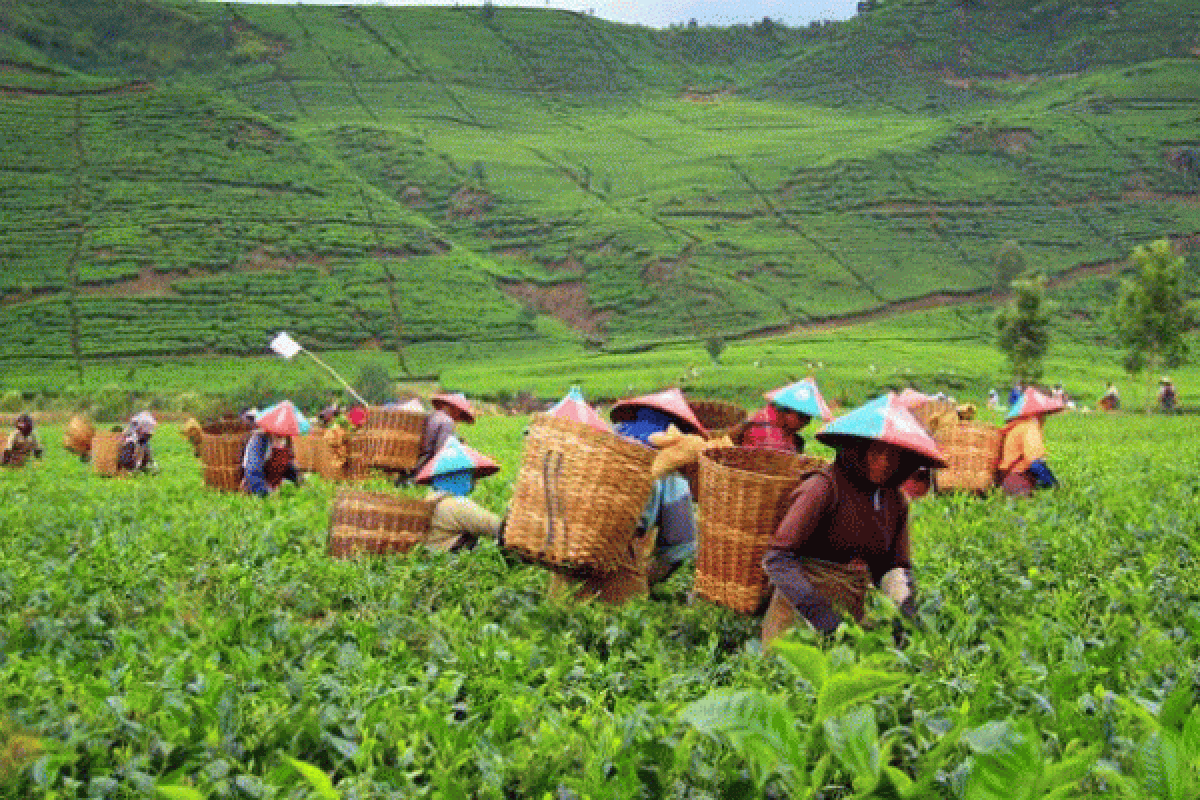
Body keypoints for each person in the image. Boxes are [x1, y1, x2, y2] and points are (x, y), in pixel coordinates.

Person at [760, 394, 947, 643]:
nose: (884, 463)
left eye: (894, 456)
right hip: (797, 614)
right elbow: (778, 559)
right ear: (856, 448)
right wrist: (821, 616)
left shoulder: (895, 502)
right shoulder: (823, 488)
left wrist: (906, 613)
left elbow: (892, 567)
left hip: (849, 616)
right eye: (876, 452)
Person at [413, 436, 503, 551]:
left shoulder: (429, 499)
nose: (475, 482)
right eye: (471, 477)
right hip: (449, 560)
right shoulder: (457, 505)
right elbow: (497, 527)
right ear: (461, 478)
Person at [995, 387, 1064, 497]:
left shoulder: (1018, 425)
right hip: (1017, 479)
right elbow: (1035, 464)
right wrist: (1055, 485)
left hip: (1007, 477)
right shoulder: (1029, 428)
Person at [732, 378, 831, 453]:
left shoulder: (772, 416)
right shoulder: (769, 435)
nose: (805, 423)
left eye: (808, 419)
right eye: (802, 417)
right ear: (788, 410)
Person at [398, 392, 476, 485]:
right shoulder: (447, 421)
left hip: (413, 464)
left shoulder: (430, 416)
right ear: (455, 408)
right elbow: (441, 451)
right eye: (460, 414)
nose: (459, 419)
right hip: (424, 467)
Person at [242, 410, 302, 496]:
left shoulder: (286, 440)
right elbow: (253, 470)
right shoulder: (259, 440)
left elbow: (288, 465)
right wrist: (266, 493)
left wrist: (299, 480)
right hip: (256, 490)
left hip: (276, 489)